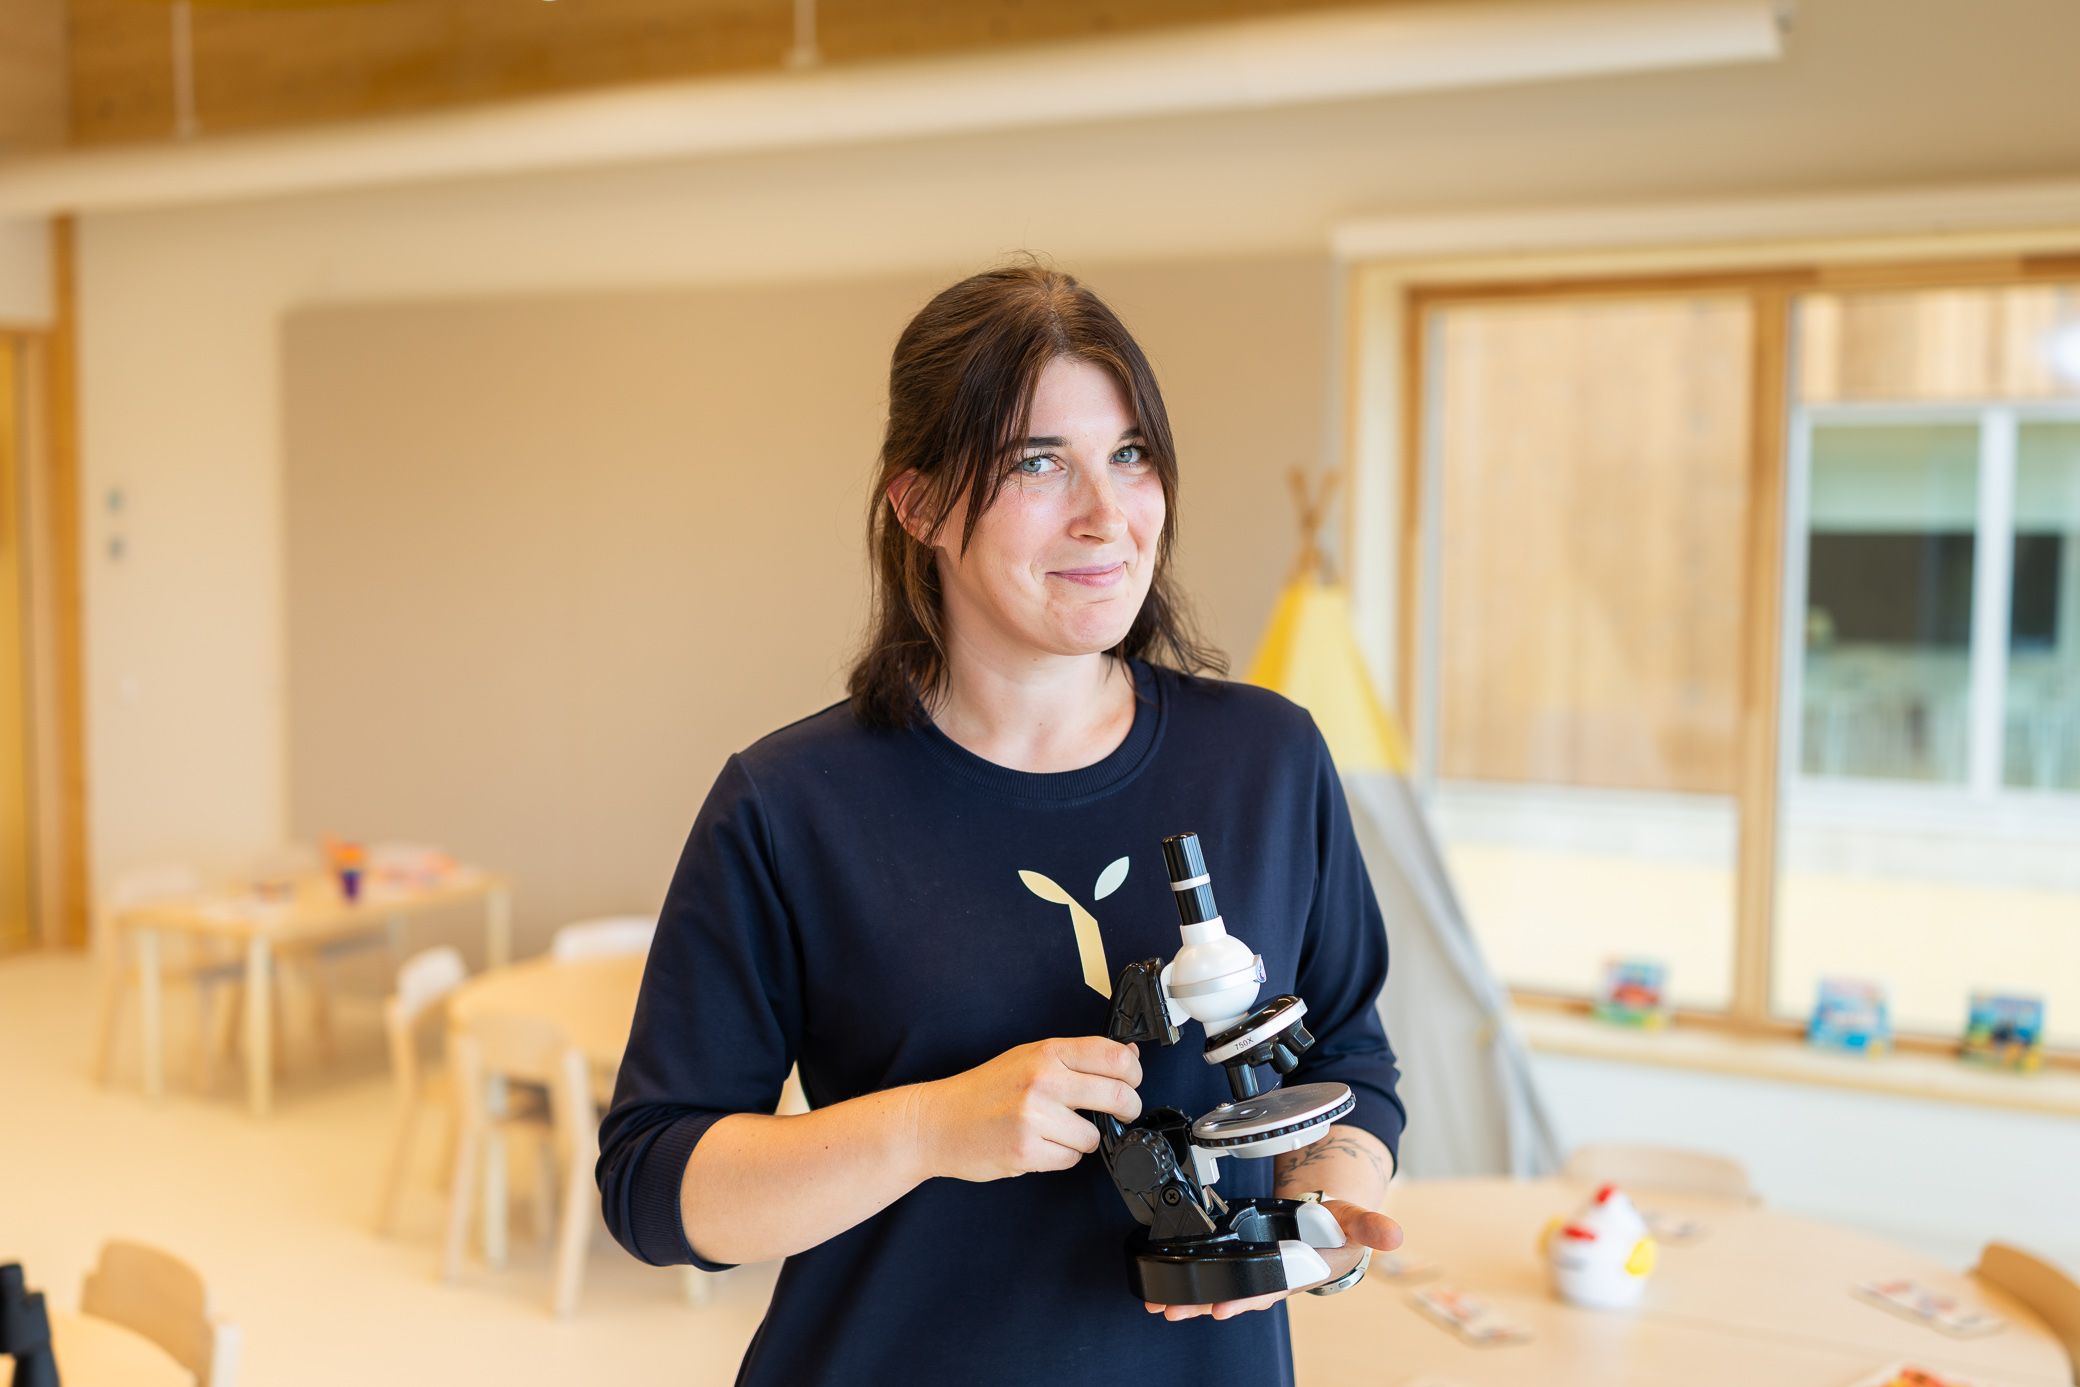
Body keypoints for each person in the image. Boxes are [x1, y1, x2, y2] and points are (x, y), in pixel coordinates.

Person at [596, 259, 1406, 1386]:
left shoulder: (1268, 760)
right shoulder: (791, 804)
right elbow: (654, 1188)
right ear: (918, 503)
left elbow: (1347, 1053)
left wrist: (1324, 1203)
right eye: (1038, 461)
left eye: (1130, 454)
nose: (1107, 515)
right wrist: (931, 1127)